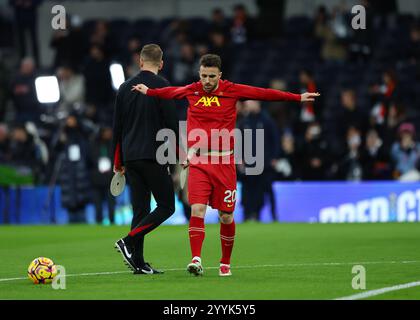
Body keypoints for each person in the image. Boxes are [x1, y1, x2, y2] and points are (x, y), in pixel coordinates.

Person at [131, 54, 319, 276]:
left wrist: (297, 98)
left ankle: (225, 262)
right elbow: (170, 92)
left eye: (211, 76)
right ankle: (196, 260)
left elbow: (264, 94)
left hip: (224, 162)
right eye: (203, 76)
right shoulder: (193, 90)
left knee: (226, 216)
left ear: (220, 75)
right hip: (199, 161)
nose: (207, 81)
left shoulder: (232, 90)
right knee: (197, 209)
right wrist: (150, 92)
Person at [113, 44, 179, 275]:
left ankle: (138, 263)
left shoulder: (123, 88)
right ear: (161, 64)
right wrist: (176, 157)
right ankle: (128, 241)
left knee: (140, 209)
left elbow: (117, 129)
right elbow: (171, 125)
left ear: (140, 62)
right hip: (154, 156)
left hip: (130, 157)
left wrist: (117, 162)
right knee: (167, 206)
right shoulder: (164, 87)